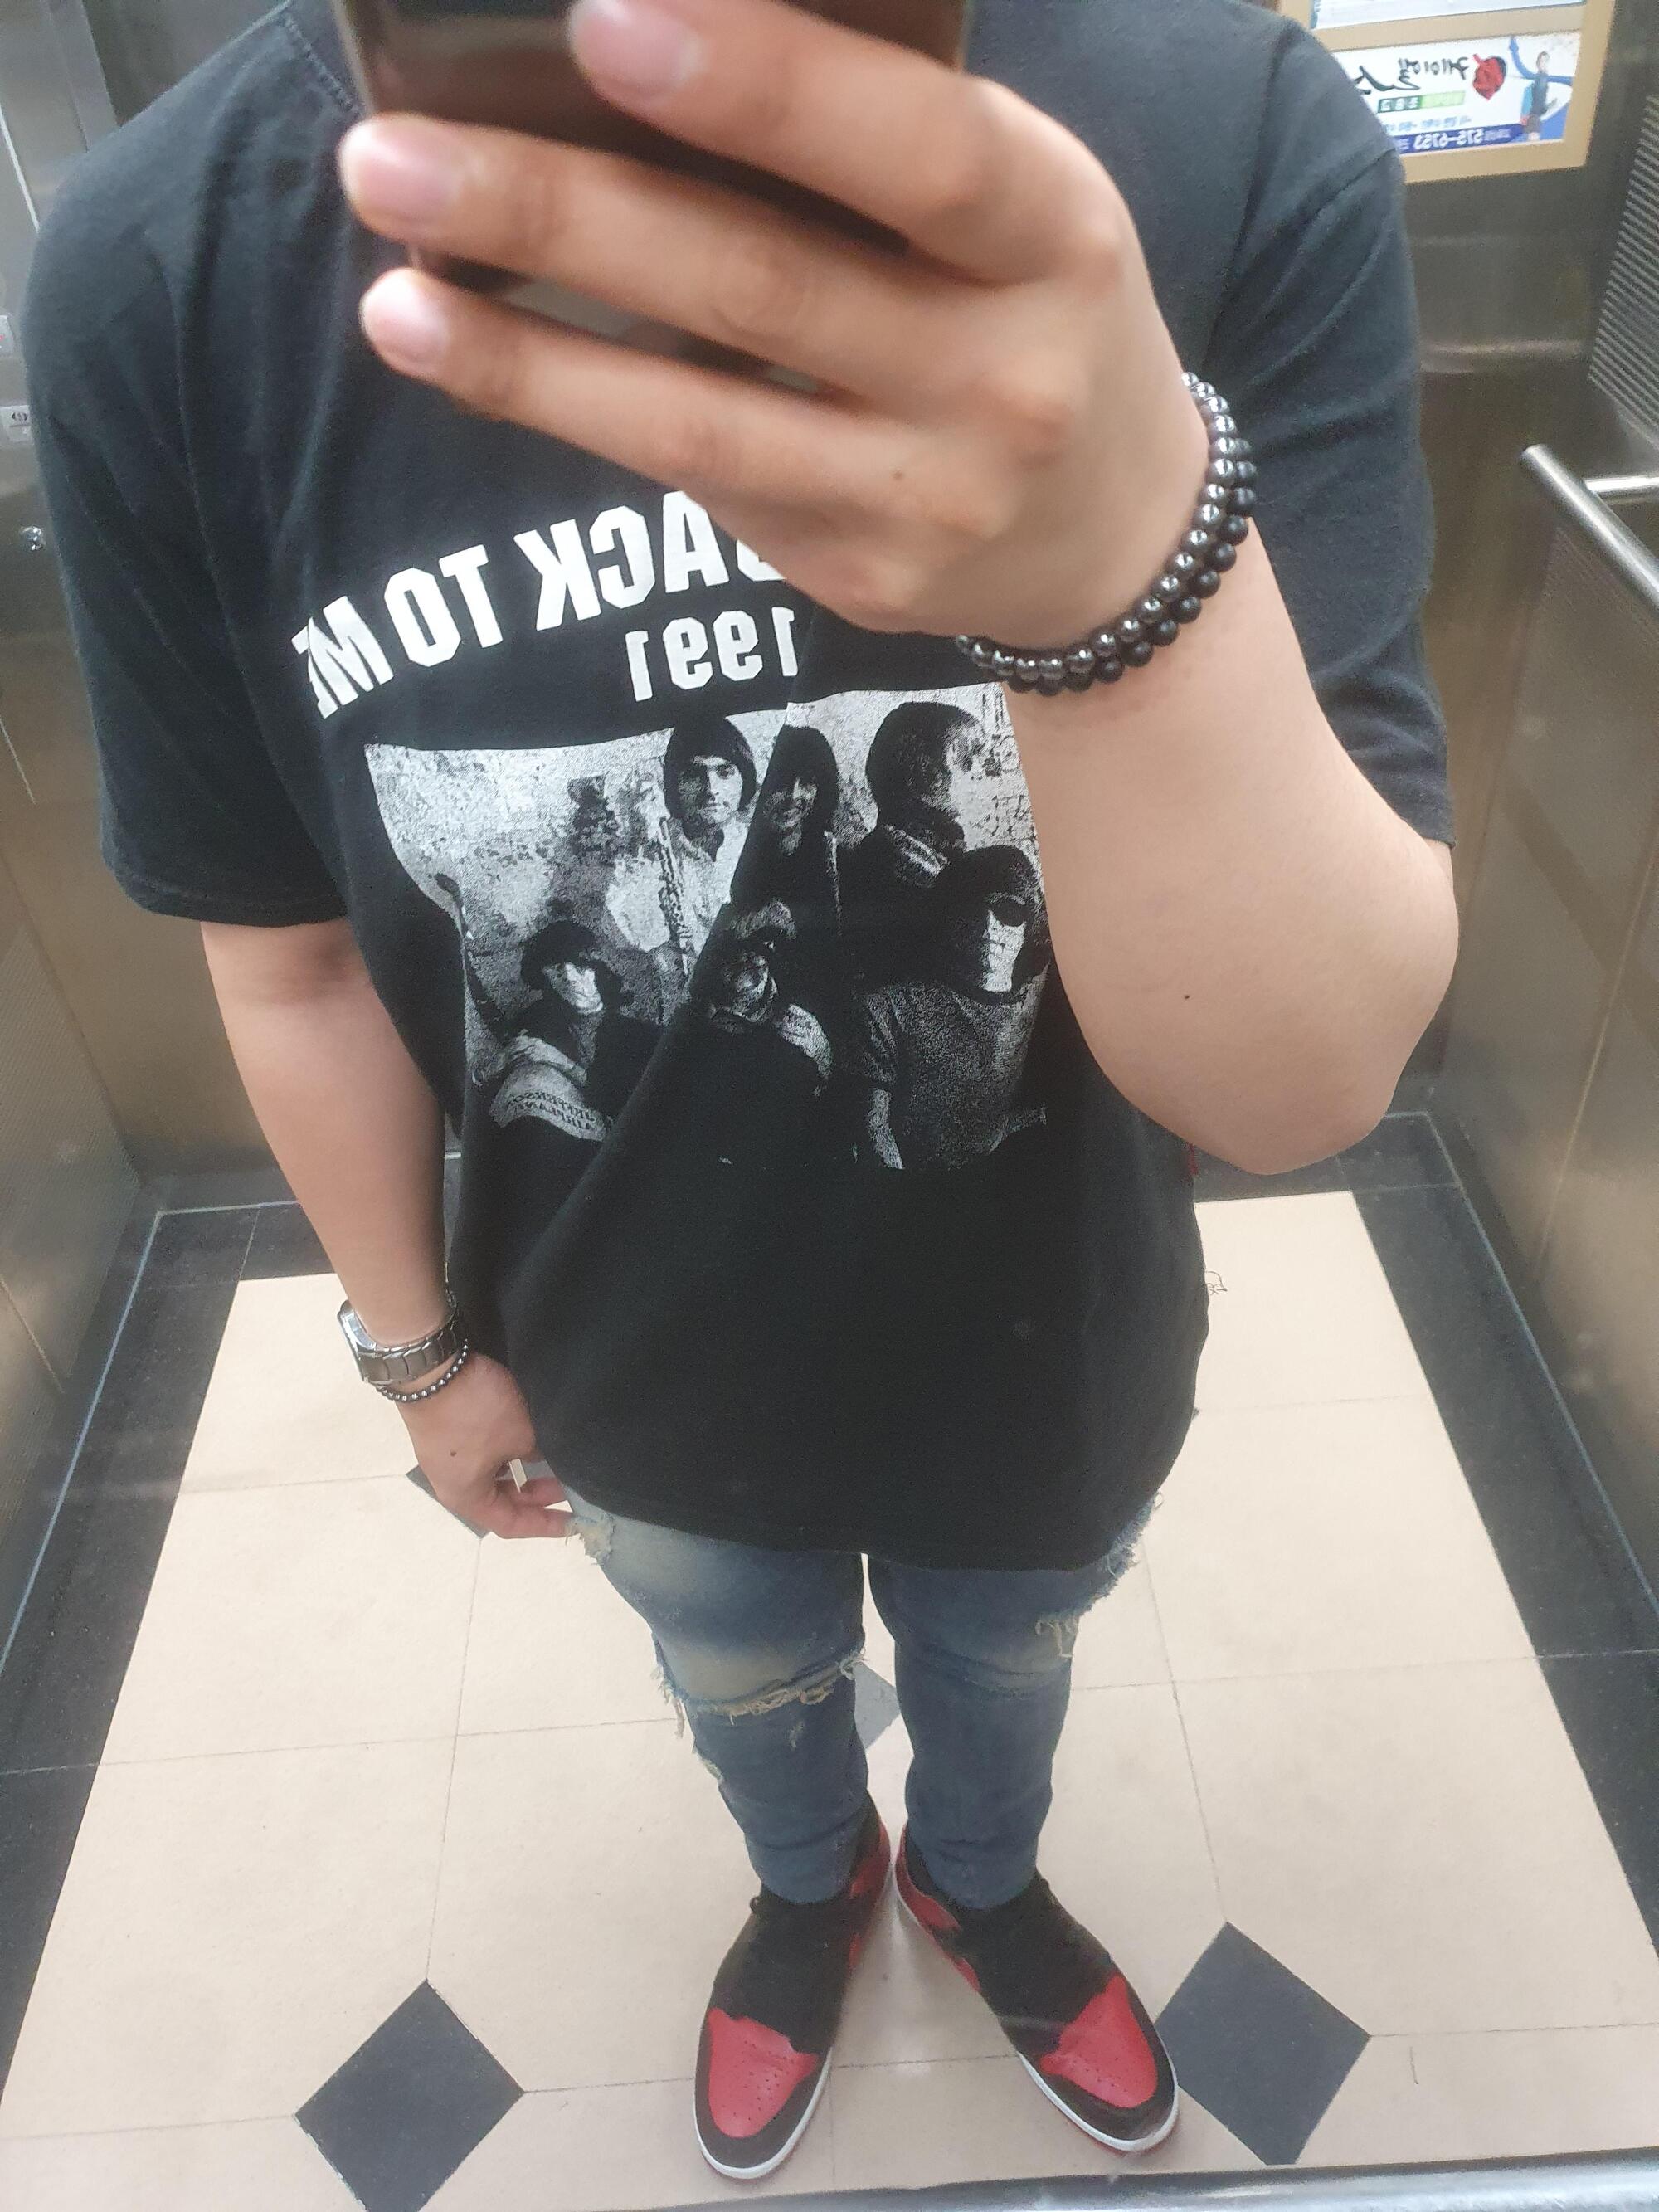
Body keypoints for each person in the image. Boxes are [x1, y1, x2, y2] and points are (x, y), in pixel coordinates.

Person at [25, 0, 1459, 2180]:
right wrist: (419, 1352)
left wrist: (1113, 562)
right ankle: (812, 1887)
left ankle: (977, 1881)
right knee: (747, 1691)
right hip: (628, 1363)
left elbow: (1300, 1081)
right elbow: (289, 952)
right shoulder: (165, 267)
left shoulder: (1220, 127)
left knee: (1004, 1677)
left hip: (1046, 1337)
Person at [857, 845, 1049, 1172]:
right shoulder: (889, 1009)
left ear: (1031, 923)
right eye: (973, 909)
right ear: (949, 916)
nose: (988, 926)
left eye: (1008, 911)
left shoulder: (1042, 1017)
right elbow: (874, 1129)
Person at [839, 701, 975, 982]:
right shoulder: (889, 864)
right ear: (918, 771)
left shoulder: (937, 851)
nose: (978, 769)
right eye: (964, 755)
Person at [490, 914, 659, 1138]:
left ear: (601, 970)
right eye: (556, 968)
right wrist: (496, 1066)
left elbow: (627, 1106)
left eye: (580, 967)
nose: (569, 978)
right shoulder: (534, 1023)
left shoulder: (638, 1035)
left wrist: (559, 1061)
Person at [657, 712, 758, 990]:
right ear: (674, 785)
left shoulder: (760, 844)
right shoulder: (654, 857)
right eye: (693, 775)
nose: (711, 789)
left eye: (724, 772)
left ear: (744, 778)